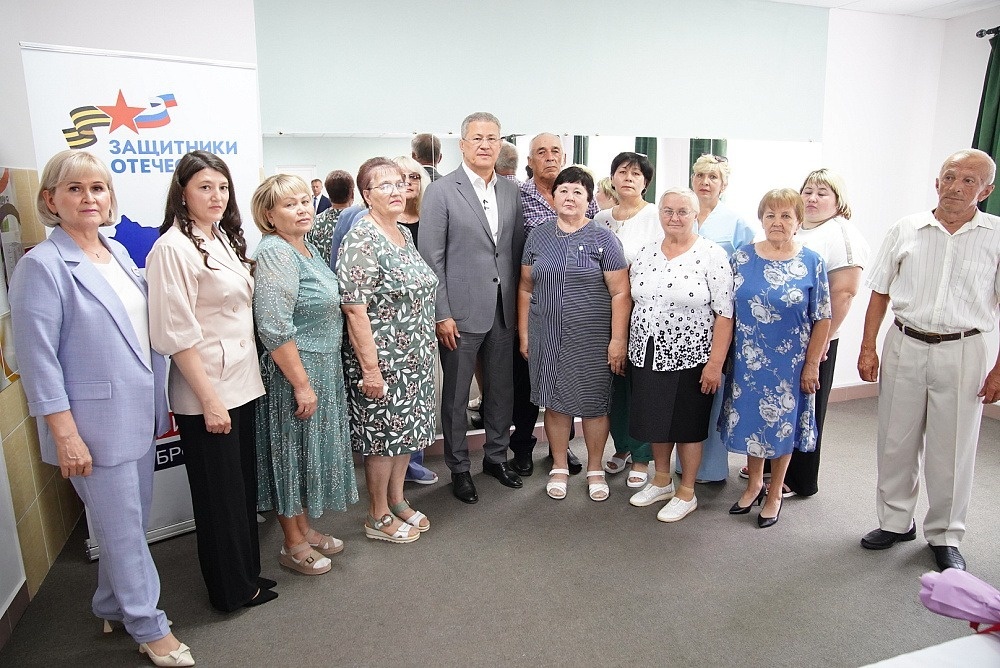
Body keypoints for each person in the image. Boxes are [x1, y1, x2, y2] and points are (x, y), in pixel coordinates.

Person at [9, 151, 195, 667]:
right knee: (124, 531)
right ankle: (149, 625)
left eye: (97, 188)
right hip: (91, 428)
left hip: (137, 416)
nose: (89, 197)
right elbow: (38, 361)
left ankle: (111, 605)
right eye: (74, 189)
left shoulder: (114, 252)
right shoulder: (42, 267)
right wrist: (65, 434)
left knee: (124, 524)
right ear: (50, 200)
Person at [858, 149, 1000, 572]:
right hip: (905, 341)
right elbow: (880, 291)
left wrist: (999, 370)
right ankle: (895, 521)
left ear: (986, 191)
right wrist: (868, 347)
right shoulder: (906, 229)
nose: (956, 187)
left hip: (964, 348)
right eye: (950, 177)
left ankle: (945, 535)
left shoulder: (996, 236)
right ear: (937, 182)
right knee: (895, 439)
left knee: (952, 448)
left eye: (969, 180)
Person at [146, 151, 275, 611]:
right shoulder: (172, 248)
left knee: (240, 493)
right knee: (218, 499)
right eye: (204, 187)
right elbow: (175, 335)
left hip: (241, 383)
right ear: (182, 193)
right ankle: (229, 590)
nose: (216, 196)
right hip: (208, 392)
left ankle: (245, 574)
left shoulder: (219, 236)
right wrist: (210, 401)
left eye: (222, 187)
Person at [250, 174, 358, 574]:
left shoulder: (305, 246)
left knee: (304, 454)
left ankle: (304, 529)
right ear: (268, 215)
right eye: (289, 204)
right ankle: (292, 543)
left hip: (321, 366)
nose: (301, 209)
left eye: (303, 201)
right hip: (296, 371)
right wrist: (301, 384)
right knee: (290, 456)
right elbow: (274, 327)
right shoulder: (276, 252)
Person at [420, 112, 526, 504]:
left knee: (501, 391)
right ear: (462, 144)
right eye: (477, 138)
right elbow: (431, 259)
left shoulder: (511, 191)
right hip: (459, 314)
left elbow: (514, 252)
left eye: (492, 138)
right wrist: (441, 313)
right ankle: (459, 468)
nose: (485, 145)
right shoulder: (441, 191)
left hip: (503, 310)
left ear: (500, 145)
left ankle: (497, 458)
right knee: (456, 396)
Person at [339, 157, 438, 541]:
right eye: (385, 185)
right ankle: (377, 515)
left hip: (414, 358)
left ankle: (397, 501)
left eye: (400, 183)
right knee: (383, 439)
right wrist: (370, 369)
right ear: (366, 195)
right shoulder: (362, 238)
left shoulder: (401, 233)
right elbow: (354, 308)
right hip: (383, 361)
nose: (397, 190)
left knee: (404, 435)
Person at [517, 166, 630, 501]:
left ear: (589, 199)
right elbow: (525, 287)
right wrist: (524, 334)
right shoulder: (537, 237)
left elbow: (620, 293)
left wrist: (618, 340)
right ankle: (559, 465)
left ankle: (595, 468)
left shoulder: (603, 238)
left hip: (593, 338)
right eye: (563, 190)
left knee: (594, 404)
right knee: (555, 403)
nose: (569, 197)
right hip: (547, 334)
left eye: (578, 192)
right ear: (552, 197)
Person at [721, 188, 831, 528]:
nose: (777, 222)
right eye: (770, 215)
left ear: (798, 221)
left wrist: (812, 364)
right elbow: (726, 310)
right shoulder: (742, 257)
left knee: (782, 427)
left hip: (790, 364)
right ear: (761, 219)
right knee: (753, 421)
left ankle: (774, 493)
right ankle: (754, 483)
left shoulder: (812, 262)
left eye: (786, 216)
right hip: (748, 359)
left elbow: (823, 317)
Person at [627, 188, 734, 521]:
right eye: (668, 210)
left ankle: (687, 492)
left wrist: (715, 364)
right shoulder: (646, 252)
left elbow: (725, 314)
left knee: (687, 425)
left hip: (692, 354)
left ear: (695, 215)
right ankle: (662, 480)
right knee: (656, 419)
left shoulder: (712, 254)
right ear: (659, 213)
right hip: (647, 350)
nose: (674, 218)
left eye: (683, 211)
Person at [510, 133, 601, 477]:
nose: (549, 157)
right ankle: (522, 446)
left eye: (555, 152)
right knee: (529, 382)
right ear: (529, 161)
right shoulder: (517, 197)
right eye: (541, 152)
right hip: (535, 303)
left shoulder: (582, 194)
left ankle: (560, 451)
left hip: (578, 313)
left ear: (563, 157)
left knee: (568, 381)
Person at [773, 169, 868, 496]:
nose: (812, 198)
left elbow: (844, 292)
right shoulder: (799, 228)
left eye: (822, 193)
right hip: (783, 339)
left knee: (806, 410)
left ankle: (799, 478)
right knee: (781, 403)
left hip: (815, 340)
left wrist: (822, 341)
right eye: (808, 191)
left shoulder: (841, 234)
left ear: (838, 200)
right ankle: (773, 466)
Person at [678, 154, 755, 484]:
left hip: (718, 317)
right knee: (682, 392)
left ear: (724, 184)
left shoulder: (736, 222)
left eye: (713, 177)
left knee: (711, 389)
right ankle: (681, 465)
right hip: (682, 317)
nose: (705, 182)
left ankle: (709, 468)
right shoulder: (683, 214)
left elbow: (746, 269)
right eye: (700, 175)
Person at [593, 152, 661, 489]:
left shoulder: (655, 217)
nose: (629, 178)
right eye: (622, 172)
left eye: (636, 174)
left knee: (641, 386)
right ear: (613, 178)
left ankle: (642, 456)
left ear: (645, 182)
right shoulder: (600, 219)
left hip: (643, 314)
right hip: (604, 312)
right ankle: (621, 446)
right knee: (613, 385)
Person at [391, 154, 439, 485]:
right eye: (400, 178)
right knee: (398, 399)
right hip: (393, 327)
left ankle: (414, 460)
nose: (408, 184)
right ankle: (398, 469)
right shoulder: (380, 224)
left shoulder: (432, 219)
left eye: (415, 177)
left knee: (422, 394)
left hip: (428, 319)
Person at [307, 169, 354, 265]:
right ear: (352, 194)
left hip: (322, 273)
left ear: (329, 194)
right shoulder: (359, 222)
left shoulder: (314, 222)